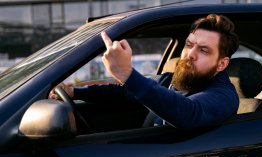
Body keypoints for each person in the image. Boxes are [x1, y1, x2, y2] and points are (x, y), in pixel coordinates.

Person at [49, 14, 239, 129]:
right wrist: (75, 92)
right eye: (189, 45)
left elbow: (189, 112)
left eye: (204, 50)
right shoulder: (172, 81)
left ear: (221, 64)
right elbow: (125, 92)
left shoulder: (223, 95)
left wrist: (127, 73)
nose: (190, 54)